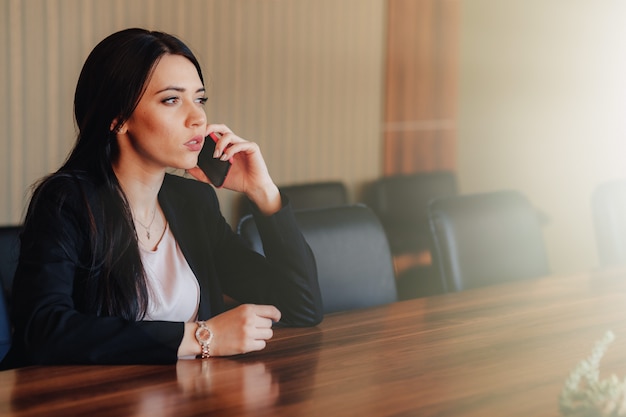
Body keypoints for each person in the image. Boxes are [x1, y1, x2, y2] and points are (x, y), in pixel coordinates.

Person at [0, 28, 323, 369]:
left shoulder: (193, 202)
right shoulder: (67, 201)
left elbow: (300, 307)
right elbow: (44, 332)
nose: (197, 117)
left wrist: (263, 192)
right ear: (119, 119)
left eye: (199, 99)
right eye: (172, 100)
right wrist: (202, 336)